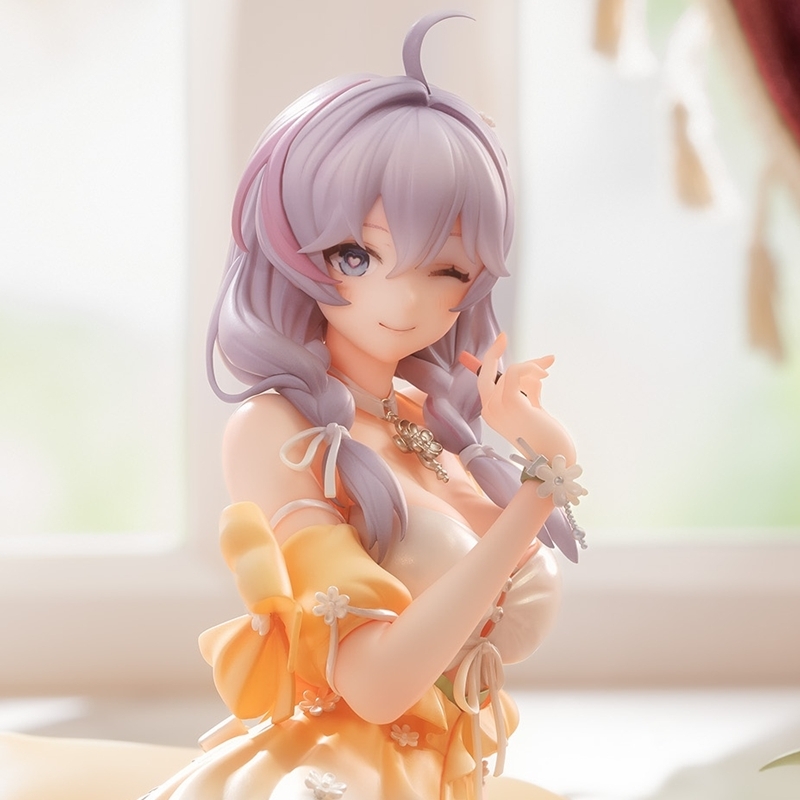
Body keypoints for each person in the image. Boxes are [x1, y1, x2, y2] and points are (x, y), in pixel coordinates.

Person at [0, 11, 585, 800]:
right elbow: (374, 685)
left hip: (451, 773)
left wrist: (536, 460)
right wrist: (537, 495)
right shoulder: (278, 431)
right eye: (358, 255)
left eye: (446, 267)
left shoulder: (428, 417)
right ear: (292, 247)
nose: (404, 298)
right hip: (338, 777)